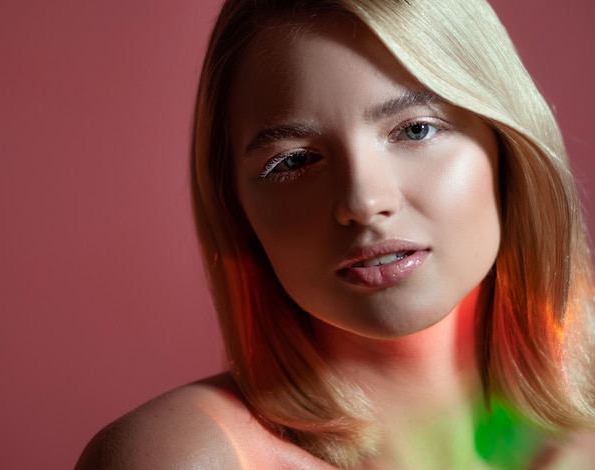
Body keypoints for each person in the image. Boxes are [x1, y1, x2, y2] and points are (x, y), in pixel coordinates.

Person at [75, 0, 595, 468]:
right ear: (236, 205)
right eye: (295, 161)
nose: (364, 202)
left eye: (416, 129)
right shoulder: (192, 457)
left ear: (507, 147)